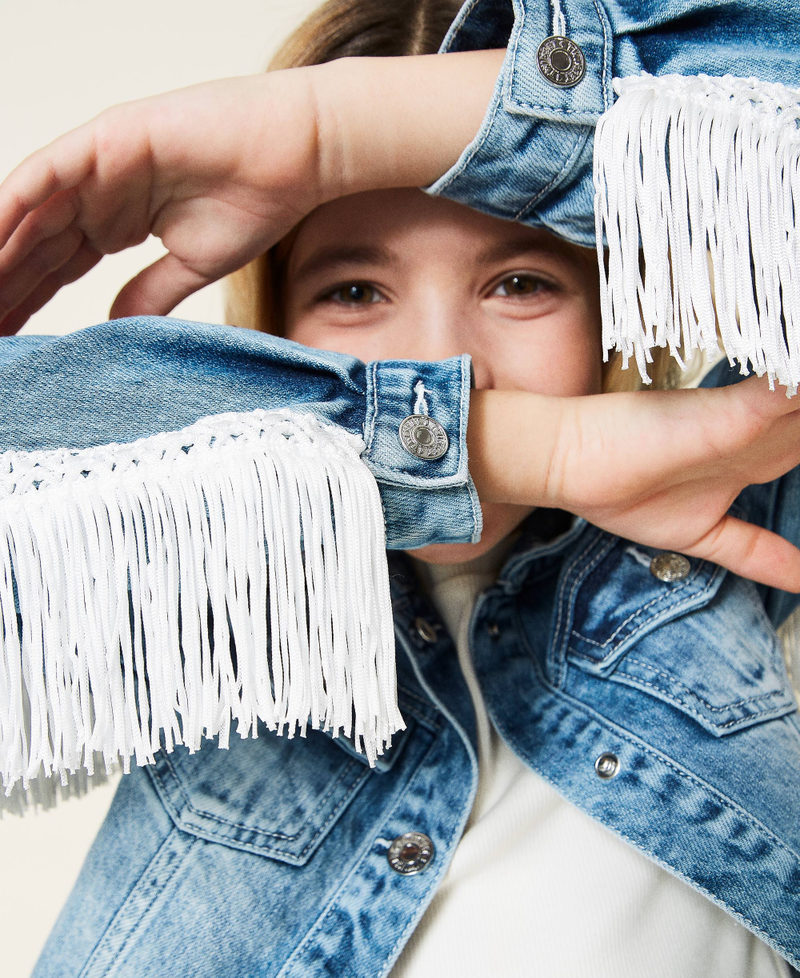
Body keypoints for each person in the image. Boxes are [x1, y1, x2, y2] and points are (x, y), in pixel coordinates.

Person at [0, 0, 799, 974]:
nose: (440, 361)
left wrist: (334, 132)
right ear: (275, 329)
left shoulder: (719, 520)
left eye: (518, 283)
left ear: (608, 311)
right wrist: (517, 446)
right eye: (352, 292)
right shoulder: (209, 611)